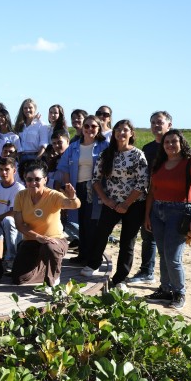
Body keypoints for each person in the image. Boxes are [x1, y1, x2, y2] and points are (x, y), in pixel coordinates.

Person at [80, 120, 149, 291]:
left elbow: (142, 182)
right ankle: (94, 264)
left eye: (125, 130)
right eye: (118, 129)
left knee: (127, 241)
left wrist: (126, 203)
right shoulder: (107, 154)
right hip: (111, 202)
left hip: (134, 204)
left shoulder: (138, 155)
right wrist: (106, 200)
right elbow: (96, 179)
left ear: (131, 133)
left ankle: (120, 279)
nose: (121, 133)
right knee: (101, 233)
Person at [143, 130, 191, 310]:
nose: (170, 145)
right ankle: (165, 289)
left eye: (174, 141)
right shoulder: (159, 164)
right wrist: (147, 215)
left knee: (173, 257)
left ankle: (179, 292)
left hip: (180, 212)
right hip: (157, 212)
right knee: (163, 253)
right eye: (166, 142)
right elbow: (151, 192)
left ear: (181, 142)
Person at [11, 160, 81, 288]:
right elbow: (19, 225)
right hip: (32, 240)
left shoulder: (53, 195)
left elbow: (74, 205)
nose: (33, 183)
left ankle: (53, 280)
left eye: (37, 179)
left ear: (45, 180)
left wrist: (72, 197)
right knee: (19, 278)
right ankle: (44, 268)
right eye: (29, 179)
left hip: (54, 240)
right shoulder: (20, 196)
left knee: (49, 247)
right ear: (25, 180)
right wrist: (38, 237)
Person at [57, 114, 109, 265]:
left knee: (92, 223)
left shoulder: (105, 146)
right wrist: (68, 187)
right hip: (77, 187)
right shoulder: (74, 146)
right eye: (87, 126)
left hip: (95, 189)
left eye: (93, 126)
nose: (89, 129)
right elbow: (64, 167)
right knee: (80, 222)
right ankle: (83, 255)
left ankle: (92, 257)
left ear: (99, 128)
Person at [129, 111, 173, 284]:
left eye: (160, 122)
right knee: (148, 236)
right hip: (151, 198)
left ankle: (169, 281)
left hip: (173, 201)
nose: (156, 125)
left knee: (168, 244)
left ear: (169, 125)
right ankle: (147, 271)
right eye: (153, 122)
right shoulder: (147, 148)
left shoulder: (176, 146)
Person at [0, 157, 25, 272]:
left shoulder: (19, 188)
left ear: (14, 171)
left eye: (7, 169)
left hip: (12, 227)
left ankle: (10, 259)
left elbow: (14, 212)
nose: (3, 173)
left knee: (8, 220)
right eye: (1, 169)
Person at [13, 98, 49, 165]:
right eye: (25, 108)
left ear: (35, 109)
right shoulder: (20, 125)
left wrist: (37, 160)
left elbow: (44, 145)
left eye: (30, 108)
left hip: (35, 157)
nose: (28, 110)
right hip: (21, 158)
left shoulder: (41, 125)